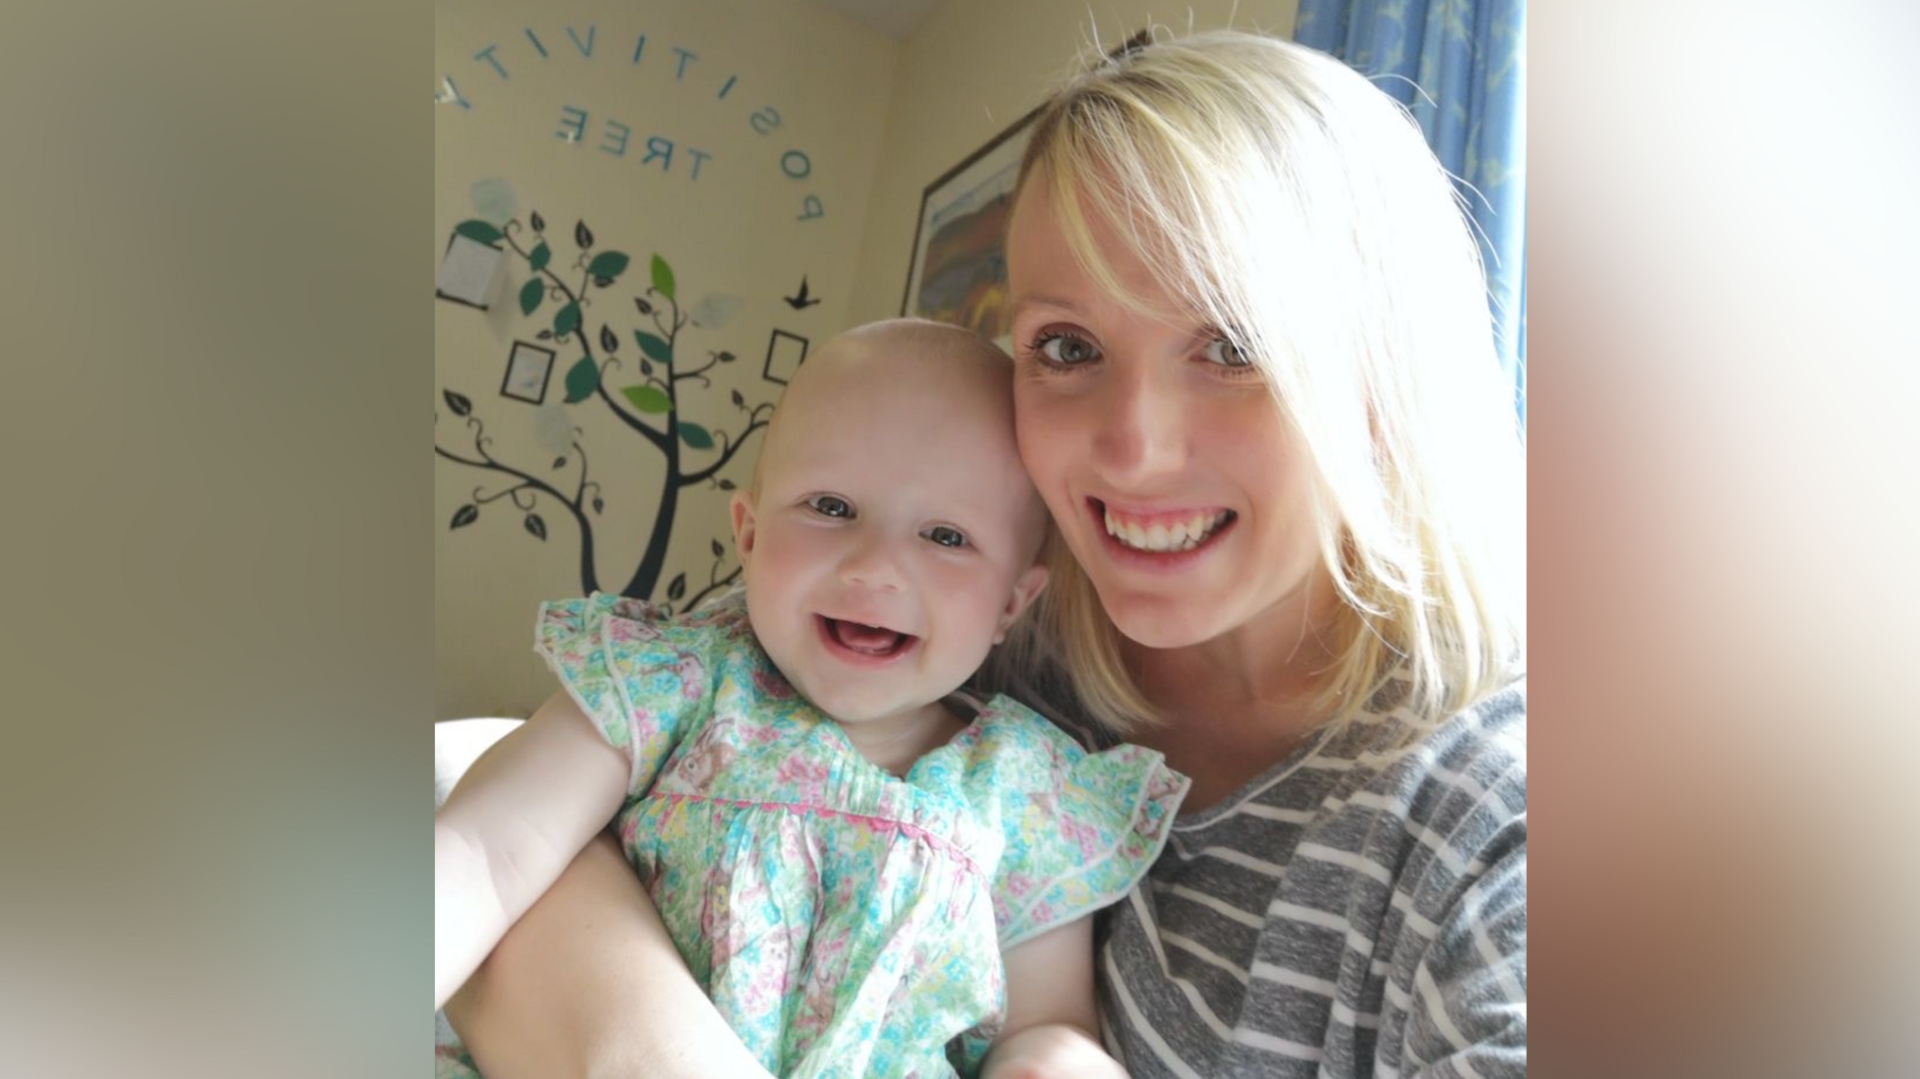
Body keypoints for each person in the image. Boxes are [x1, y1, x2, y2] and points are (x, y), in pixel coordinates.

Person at [447, 28, 1527, 1079]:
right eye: (1067, 346)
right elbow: (489, 813)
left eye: (1234, 345)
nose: (1135, 449)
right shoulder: (917, 625)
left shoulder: (1507, 833)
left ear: (1391, 375)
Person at [434, 319, 1189, 1079]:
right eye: (830, 506)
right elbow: (481, 852)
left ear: (1011, 605)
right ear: (750, 534)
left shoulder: (1026, 790)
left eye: (946, 535)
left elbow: (1044, 1021)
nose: (875, 566)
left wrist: (1054, 1062)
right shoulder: (671, 682)